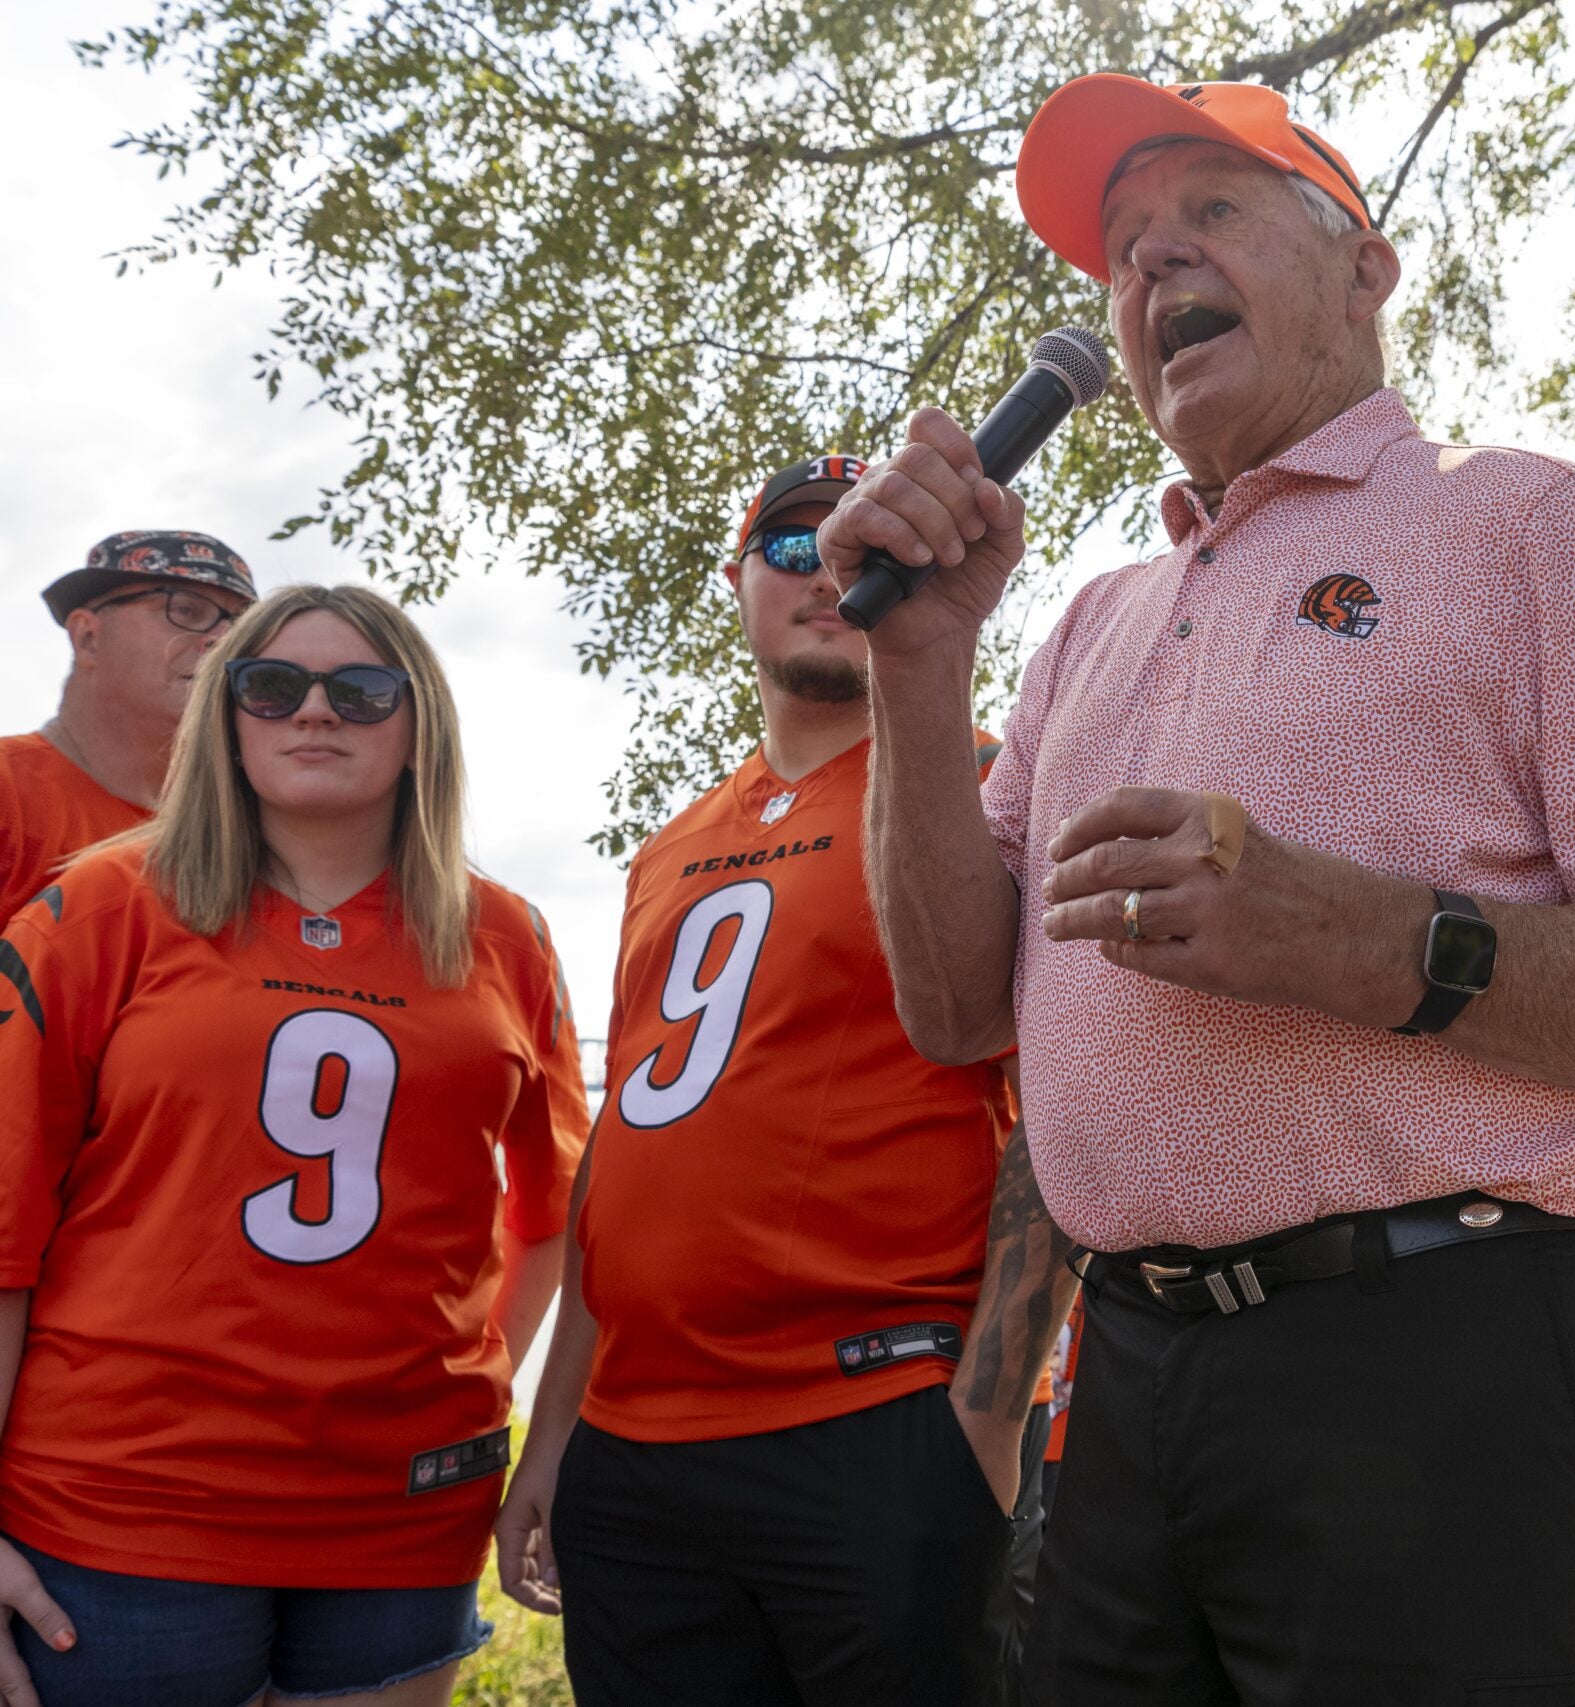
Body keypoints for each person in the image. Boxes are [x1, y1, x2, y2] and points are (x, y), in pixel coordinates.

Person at [827, 74, 1575, 1705]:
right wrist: (921, 668)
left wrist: (1378, 943)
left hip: (1450, 1361)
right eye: (1126, 246)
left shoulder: (1527, 523)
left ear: (1366, 270)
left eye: (1209, 210)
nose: (1153, 263)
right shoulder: (1091, 622)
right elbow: (952, 1007)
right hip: (1128, 1375)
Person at [493, 454, 1079, 1706]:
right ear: (738, 578)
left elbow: (1070, 1100)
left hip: (877, 1418)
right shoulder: (673, 846)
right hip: (638, 1449)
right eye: (795, 545)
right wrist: (558, 1429)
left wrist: (986, 1422)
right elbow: (629, 1142)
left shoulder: (992, 789)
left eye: (875, 548)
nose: (831, 574)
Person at [0, 584, 589, 1707]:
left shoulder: (507, 937)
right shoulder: (100, 908)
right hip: (124, 1506)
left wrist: (472, 1402)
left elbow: (558, 1212)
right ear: (226, 718)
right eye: (272, 686)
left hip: (401, 1512)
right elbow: (3, 1227)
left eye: (361, 689)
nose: (314, 712)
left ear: (421, 723)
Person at [3, 531, 258, 915]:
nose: (223, 641)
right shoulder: (10, 794)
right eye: (186, 610)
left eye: (242, 626)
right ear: (88, 637)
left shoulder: (257, 828)